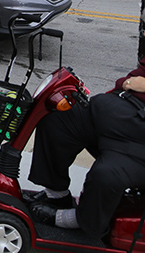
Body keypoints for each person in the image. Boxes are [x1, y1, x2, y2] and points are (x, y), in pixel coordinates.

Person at [26, 57, 145, 238]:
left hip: (135, 142)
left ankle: (82, 221)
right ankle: (57, 194)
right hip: (107, 113)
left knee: (106, 175)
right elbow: (130, 80)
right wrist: (130, 83)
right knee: (56, 117)